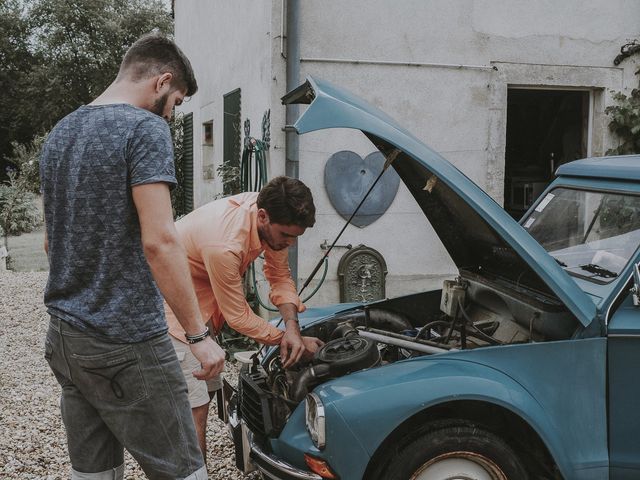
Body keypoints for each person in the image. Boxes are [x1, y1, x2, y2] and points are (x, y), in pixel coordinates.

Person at [40, 33, 224, 480]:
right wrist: (198, 338)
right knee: (185, 473)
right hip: (127, 343)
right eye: (177, 101)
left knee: (95, 474)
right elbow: (160, 241)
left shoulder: (61, 132)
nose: (173, 112)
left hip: (65, 338)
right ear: (162, 81)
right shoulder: (145, 129)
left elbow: (50, 243)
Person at [165, 176, 324, 460]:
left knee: (205, 393)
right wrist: (285, 340)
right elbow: (238, 316)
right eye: (286, 236)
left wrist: (292, 328)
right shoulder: (225, 244)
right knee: (192, 412)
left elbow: (279, 277)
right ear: (263, 217)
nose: (290, 243)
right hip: (173, 315)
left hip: (201, 311)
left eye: (295, 237)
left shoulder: (266, 213)